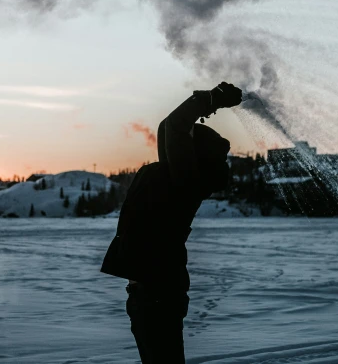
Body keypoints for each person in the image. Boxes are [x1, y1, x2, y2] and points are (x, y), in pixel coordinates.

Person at [100, 81, 243, 363]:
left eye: (190, 140)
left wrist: (211, 101)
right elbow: (169, 127)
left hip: (158, 296)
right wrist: (208, 103)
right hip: (151, 294)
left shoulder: (187, 180)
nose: (180, 142)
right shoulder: (177, 175)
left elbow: (176, 127)